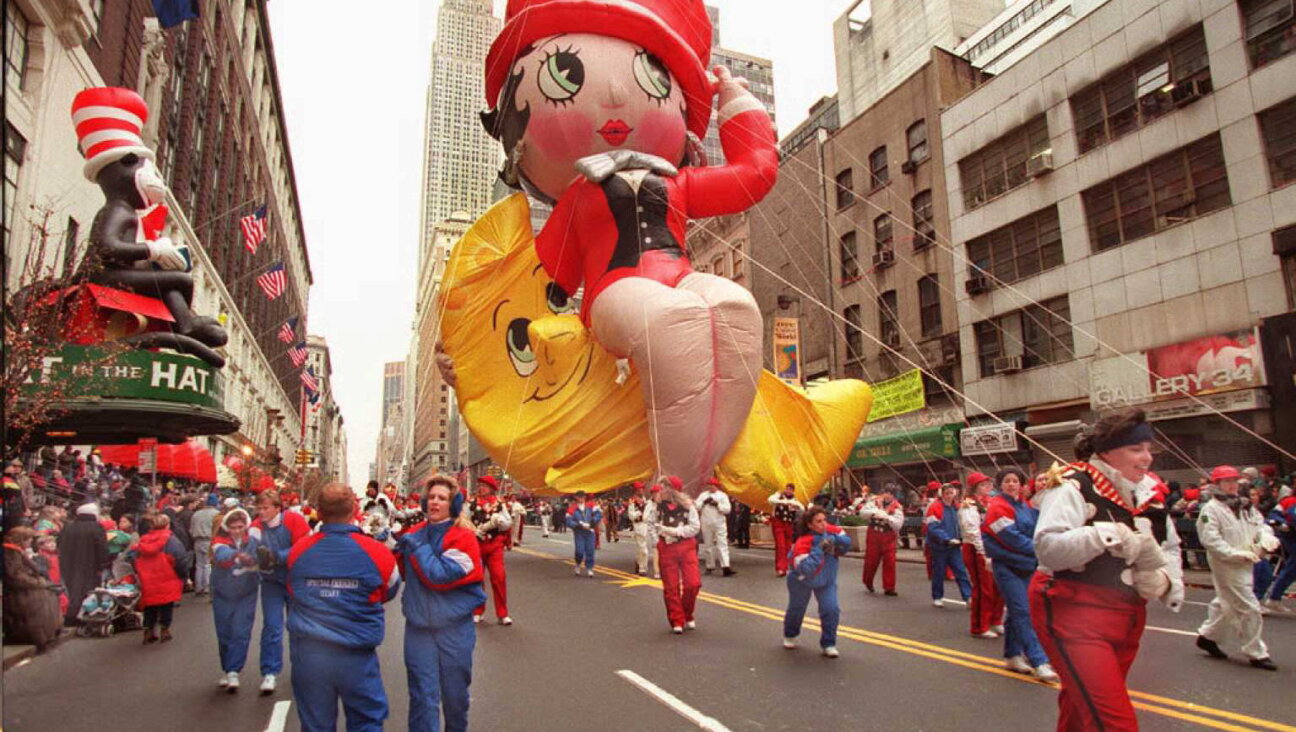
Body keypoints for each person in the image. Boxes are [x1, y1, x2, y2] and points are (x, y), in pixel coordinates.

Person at [1031, 409, 1185, 731]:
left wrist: (1164, 579)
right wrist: (1105, 535)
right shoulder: (1072, 485)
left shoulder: (1150, 493)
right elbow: (1047, 548)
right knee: (1113, 720)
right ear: (1106, 451)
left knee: (1080, 703)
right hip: (1072, 609)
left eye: (1148, 449)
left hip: (1127, 612)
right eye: (1135, 449)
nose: (1146, 458)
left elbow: (1170, 546)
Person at [286, 483, 401, 732]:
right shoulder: (376, 553)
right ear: (355, 509)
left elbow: (293, 590)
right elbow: (390, 590)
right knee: (366, 723)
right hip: (356, 657)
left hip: (311, 656)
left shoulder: (299, 552)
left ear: (319, 512)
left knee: (315, 725)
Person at [396, 476, 486, 732]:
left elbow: (439, 576)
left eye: (442, 498)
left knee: (455, 699)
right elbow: (399, 574)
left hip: (454, 630)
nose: (435, 502)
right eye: (432, 497)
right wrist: (385, 545)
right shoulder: (413, 534)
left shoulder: (464, 538)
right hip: (418, 629)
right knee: (423, 699)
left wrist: (417, 547)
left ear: (453, 504)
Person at [1195, 465, 1279, 670]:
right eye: (1227, 481)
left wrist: (1267, 537)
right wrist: (1233, 554)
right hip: (1226, 563)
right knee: (1249, 606)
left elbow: (1261, 525)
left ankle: (1208, 637)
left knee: (1227, 602)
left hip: (1248, 560)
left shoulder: (1245, 506)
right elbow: (1211, 540)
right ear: (1217, 485)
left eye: (1234, 480)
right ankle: (1256, 652)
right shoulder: (1210, 510)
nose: (1232, 485)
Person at [982, 468, 1057, 682]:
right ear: (1000, 485)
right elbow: (1010, 537)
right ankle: (1038, 660)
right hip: (1007, 566)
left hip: (1028, 565)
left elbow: (1041, 526)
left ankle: (1013, 655)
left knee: (1018, 612)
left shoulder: (1026, 505)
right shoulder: (997, 506)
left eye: (1015, 480)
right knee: (1023, 611)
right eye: (1007, 481)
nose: (1012, 484)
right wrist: (1039, 547)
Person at [249, 489, 311, 694]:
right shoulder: (256, 526)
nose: (261, 512)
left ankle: (301, 669)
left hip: (295, 580)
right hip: (271, 582)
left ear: (278, 508)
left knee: (298, 627)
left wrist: (278, 556)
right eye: (259, 507)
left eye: (266, 508)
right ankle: (270, 672)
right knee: (272, 626)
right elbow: (250, 550)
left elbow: (304, 546)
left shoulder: (294, 520)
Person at [782, 506, 852, 658]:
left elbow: (846, 543)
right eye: (818, 521)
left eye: (824, 520)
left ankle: (829, 643)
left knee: (831, 609)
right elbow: (806, 568)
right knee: (797, 609)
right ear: (810, 525)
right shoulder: (802, 543)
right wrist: (819, 548)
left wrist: (836, 540)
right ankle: (790, 634)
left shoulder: (831, 531)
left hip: (826, 580)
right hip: (801, 581)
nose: (823, 524)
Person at [211, 508, 260, 692]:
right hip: (223, 592)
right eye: (233, 527)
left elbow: (260, 558)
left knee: (241, 631)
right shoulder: (219, 542)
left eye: (240, 526)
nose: (237, 530)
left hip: (246, 592)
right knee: (224, 633)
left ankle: (233, 670)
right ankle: (227, 667)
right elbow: (221, 554)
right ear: (227, 527)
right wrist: (237, 556)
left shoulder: (253, 541)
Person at [651, 477, 701, 633]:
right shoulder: (657, 507)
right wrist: (657, 541)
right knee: (671, 586)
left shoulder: (688, 507)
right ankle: (676, 619)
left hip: (686, 546)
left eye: (665, 487)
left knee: (693, 583)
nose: (661, 490)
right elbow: (652, 525)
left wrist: (676, 531)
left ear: (673, 489)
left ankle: (687, 613)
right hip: (667, 548)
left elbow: (695, 528)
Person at [3, 526, 63, 651]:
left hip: (26, 587)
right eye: (28, 540)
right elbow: (15, 576)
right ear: (21, 539)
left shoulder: (18, 551)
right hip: (18, 592)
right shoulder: (11, 552)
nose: (30, 543)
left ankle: (49, 633)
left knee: (51, 594)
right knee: (41, 601)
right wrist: (38, 582)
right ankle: (38, 637)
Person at [134, 512, 191, 644]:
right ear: (167, 525)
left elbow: (135, 556)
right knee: (166, 604)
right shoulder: (171, 540)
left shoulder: (144, 539)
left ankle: (148, 630)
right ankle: (165, 629)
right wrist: (183, 576)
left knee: (149, 605)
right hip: (167, 576)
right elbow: (180, 559)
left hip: (147, 578)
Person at [959, 472, 1003, 638]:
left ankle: (995, 619)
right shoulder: (968, 506)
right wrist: (983, 552)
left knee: (998, 586)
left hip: (993, 546)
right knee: (983, 588)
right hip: (976, 548)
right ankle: (979, 626)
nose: (988, 488)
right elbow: (972, 531)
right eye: (983, 485)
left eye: (988, 484)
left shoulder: (991, 502)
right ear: (975, 488)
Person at [466, 475, 513, 625]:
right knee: (477, 578)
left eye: (484, 486)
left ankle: (502, 613)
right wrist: (473, 531)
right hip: (477, 544)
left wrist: (500, 522)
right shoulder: (472, 504)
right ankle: (478, 611)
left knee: (499, 577)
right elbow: (464, 522)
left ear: (492, 489)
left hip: (494, 545)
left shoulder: (499, 504)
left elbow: (508, 523)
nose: (481, 488)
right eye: (480, 485)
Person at [57, 502, 109, 626]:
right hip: (89, 564)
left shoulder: (67, 527)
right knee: (86, 590)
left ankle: (68, 615)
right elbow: (102, 548)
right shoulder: (97, 527)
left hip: (67, 562)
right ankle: (82, 616)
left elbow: (59, 543)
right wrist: (103, 564)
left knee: (69, 588)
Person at [924, 484, 972, 608]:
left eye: (952, 493)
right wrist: (947, 538)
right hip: (939, 546)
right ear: (942, 494)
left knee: (961, 572)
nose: (950, 496)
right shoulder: (935, 507)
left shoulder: (957, 507)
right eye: (947, 493)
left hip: (954, 545)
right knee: (939, 572)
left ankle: (968, 597)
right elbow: (933, 527)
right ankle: (937, 597)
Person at [860, 486, 904, 595]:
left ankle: (889, 587)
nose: (887, 495)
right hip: (874, 534)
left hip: (888, 536)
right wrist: (874, 512)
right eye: (886, 492)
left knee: (890, 561)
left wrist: (888, 518)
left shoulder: (897, 507)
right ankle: (868, 581)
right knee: (871, 560)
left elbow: (898, 524)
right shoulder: (873, 503)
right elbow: (862, 513)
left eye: (891, 493)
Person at [1263, 495, 1296, 612]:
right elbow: (1274, 515)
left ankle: (1274, 598)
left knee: (1292, 570)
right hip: (1291, 538)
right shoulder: (1289, 501)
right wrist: (1283, 524)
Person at [696, 477, 735, 576]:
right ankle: (709, 565)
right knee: (708, 545)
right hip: (706, 522)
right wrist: (704, 503)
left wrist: (717, 505)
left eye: (712, 485)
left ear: (717, 486)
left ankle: (725, 565)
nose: (711, 487)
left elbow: (728, 509)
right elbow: (696, 506)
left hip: (719, 522)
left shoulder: (722, 496)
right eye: (709, 485)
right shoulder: (703, 495)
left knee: (722, 544)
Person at [768, 484, 804, 577]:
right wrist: (784, 502)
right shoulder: (778, 496)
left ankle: (787, 567)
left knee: (788, 546)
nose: (788, 491)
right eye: (787, 489)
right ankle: (780, 568)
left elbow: (802, 507)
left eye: (791, 489)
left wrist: (794, 504)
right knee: (781, 546)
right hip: (778, 523)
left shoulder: (794, 500)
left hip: (788, 525)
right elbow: (770, 500)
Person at [566, 490, 602, 576]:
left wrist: (593, 522)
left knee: (590, 550)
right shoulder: (572, 508)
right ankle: (578, 563)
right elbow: (568, 520)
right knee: (579, 551)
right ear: (576, 497)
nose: (581, 498)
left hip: (590, 531)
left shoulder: (591, 505)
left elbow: (598, 514)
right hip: (579, 532)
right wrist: (578, 525)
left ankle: (589, 568)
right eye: (579, 497)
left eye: (583, 497)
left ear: (585, 497)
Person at [191, 494, 220, 596]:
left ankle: (198, 587)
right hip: (209, 540)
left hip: (197, 540)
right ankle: (207, 587)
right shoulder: (217, 514)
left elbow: (191, 528)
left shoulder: (196, 514)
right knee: (208, 564)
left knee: (199, 565)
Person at [625, 482, 654, 576]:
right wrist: (639, 512)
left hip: (647, 525)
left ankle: (638, 562)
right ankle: (643, 568)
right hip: (638, 525)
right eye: (639, 489)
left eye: (642, 488)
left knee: (641, 548)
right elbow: (631, 516)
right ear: (636, 490)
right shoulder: (632, 501)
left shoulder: (645, 500)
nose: (641, 490)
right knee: (643, 549)